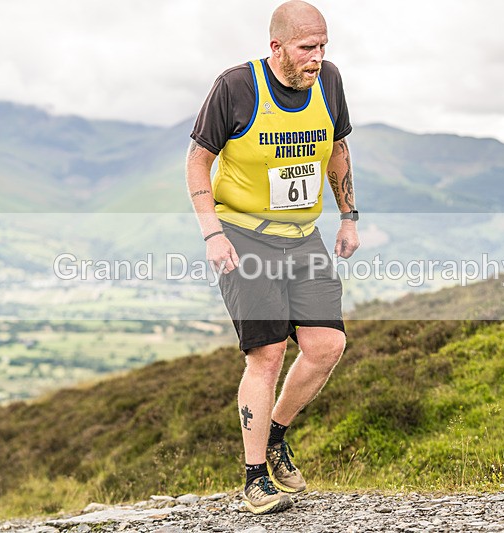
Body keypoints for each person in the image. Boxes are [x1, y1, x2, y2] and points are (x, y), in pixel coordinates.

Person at [186, 0, 359, 515]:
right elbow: (198, 161)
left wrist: (349, 216)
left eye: (324, 46)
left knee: (327, 344)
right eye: (308, 48)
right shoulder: (236, 87)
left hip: (303, 236)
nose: (318, 57)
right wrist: (212, 233)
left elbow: (338, 149)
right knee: (266, 355)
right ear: (276, 46)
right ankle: (254, 475)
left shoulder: (329, 81)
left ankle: (278, 432)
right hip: (246, 237)